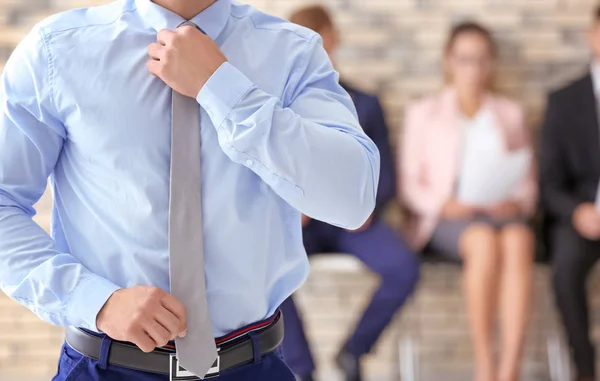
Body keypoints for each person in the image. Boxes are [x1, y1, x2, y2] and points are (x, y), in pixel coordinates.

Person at [0, 0, 381, 380]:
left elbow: (353, 199)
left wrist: (221, 87)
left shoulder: (293, 52)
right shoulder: (56, 50)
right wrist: (92, 300)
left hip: (255, 366)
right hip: (104, 367)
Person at [281, 6, 420, 381]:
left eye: (318, 42)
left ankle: (353, 352)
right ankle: (300, 368)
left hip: (353, 221)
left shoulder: (366, 104)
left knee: (403, 266)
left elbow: (385, 178)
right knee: (265, 266)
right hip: (299, 224)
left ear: (334, 40)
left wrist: (358, 205)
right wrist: (290, 206)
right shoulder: (273, 107)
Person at [399, 22, 537, 381]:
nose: (473, 69)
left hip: (498, 212)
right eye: (464, 60)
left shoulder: (509, 113)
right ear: (448, 61)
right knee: (482, 241)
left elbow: (527, 181)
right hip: (448, 219)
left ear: (491, 64)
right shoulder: (424, 113)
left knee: (520, 239)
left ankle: (509, 370)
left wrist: (514, 202)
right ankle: (484, 364)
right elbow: (410, 184)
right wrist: (444, 204)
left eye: (480, 60)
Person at [539, 6, 600, 381]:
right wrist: (577, 211)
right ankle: (585, 367)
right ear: (591, 35)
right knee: (566, 267)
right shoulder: (564, 101)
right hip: (583, 216)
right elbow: (549, 182)